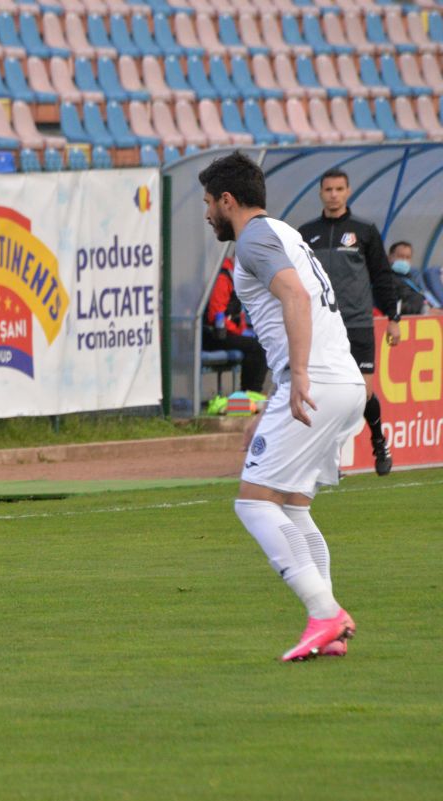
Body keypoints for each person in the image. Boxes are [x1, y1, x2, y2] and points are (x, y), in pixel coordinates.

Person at [200, 152, 365, 662]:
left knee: (252, 502)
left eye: (208, 203)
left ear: (228, 201)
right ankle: (330, 626)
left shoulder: (252, 239)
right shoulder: (286, 232)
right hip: (342, 382)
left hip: (315, 382)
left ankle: (324, 613)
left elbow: (293, 295)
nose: (207, 214)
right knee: (293, 506)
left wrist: (296, 378)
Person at [297, 170, 401, 476]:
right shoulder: (305, 233)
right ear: (320, 193)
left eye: (339, 189)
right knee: (323, 393)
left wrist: (393, 318)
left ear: (348, 191)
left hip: (356, 322)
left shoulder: (364, 231)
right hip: (320, 325)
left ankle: (379, 441)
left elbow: (382, 276)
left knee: (362, 395)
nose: (333, 194)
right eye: (328, 189)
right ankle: (331, 457)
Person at [203, 256, 268, 394]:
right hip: (213, 335)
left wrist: (242, 330)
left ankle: (250, 393)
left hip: (226, 332)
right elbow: (216, 315)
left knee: (260, 346)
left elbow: (238, 313)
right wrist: (237, 331)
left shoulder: (234, 278)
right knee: (256, 348)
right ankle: (250, 393)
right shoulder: (223, 277)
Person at [387, 241, 441, 315]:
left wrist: (435, 308)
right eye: (400, 256)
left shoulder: (412, 277)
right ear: (390, 257)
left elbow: (424, 294)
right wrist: (423, 310)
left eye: (408, 257)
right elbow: (393, 306)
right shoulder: (385, 278)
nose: (404, 260)